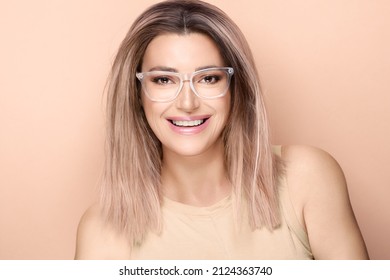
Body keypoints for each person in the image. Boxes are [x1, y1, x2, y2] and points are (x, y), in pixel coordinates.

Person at [75, 0, 368, 259]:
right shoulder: (101, 232)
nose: (187, 103)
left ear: (235, 89)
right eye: (164, 80)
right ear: (136, 93)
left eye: (209, 78)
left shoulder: (306, 178)